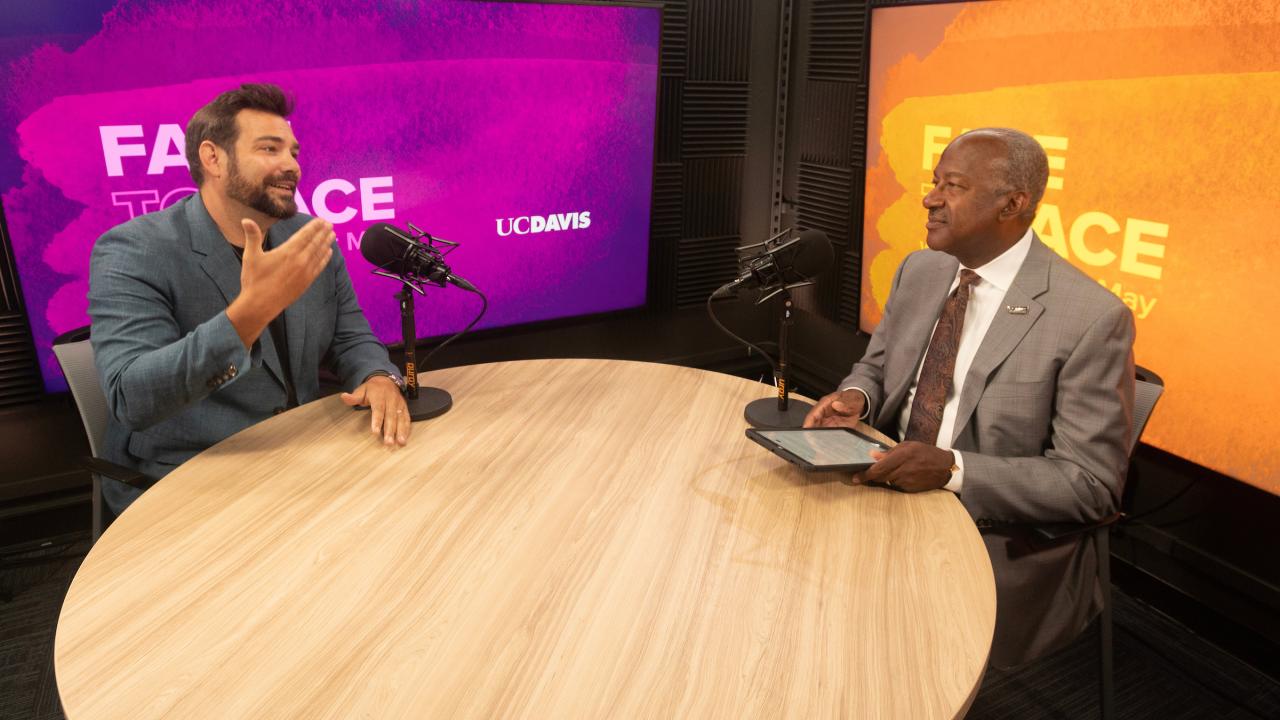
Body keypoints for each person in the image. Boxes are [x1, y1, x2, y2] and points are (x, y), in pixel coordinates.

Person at [804, 128, 1135, 667]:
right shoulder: (922, 268)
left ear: (1012, 204)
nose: (930, 199)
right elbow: (878, 364)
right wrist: (858, 397)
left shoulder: (1091, 319)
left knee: (865, 648)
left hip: (989, 534)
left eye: (951, 186)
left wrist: (952, 470)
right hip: (883, 482)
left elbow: (1091, 486)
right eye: (934, 182)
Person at [88, 83, 411, 516]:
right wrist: (249, 313)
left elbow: (350, 337)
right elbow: (133, 398)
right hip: (188, 477)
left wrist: (377, 377)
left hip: (303, 457)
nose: (290, 165)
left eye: (293, 152)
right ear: (213, 158)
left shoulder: (307, 236)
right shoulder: (134, 249)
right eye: (269, 149)